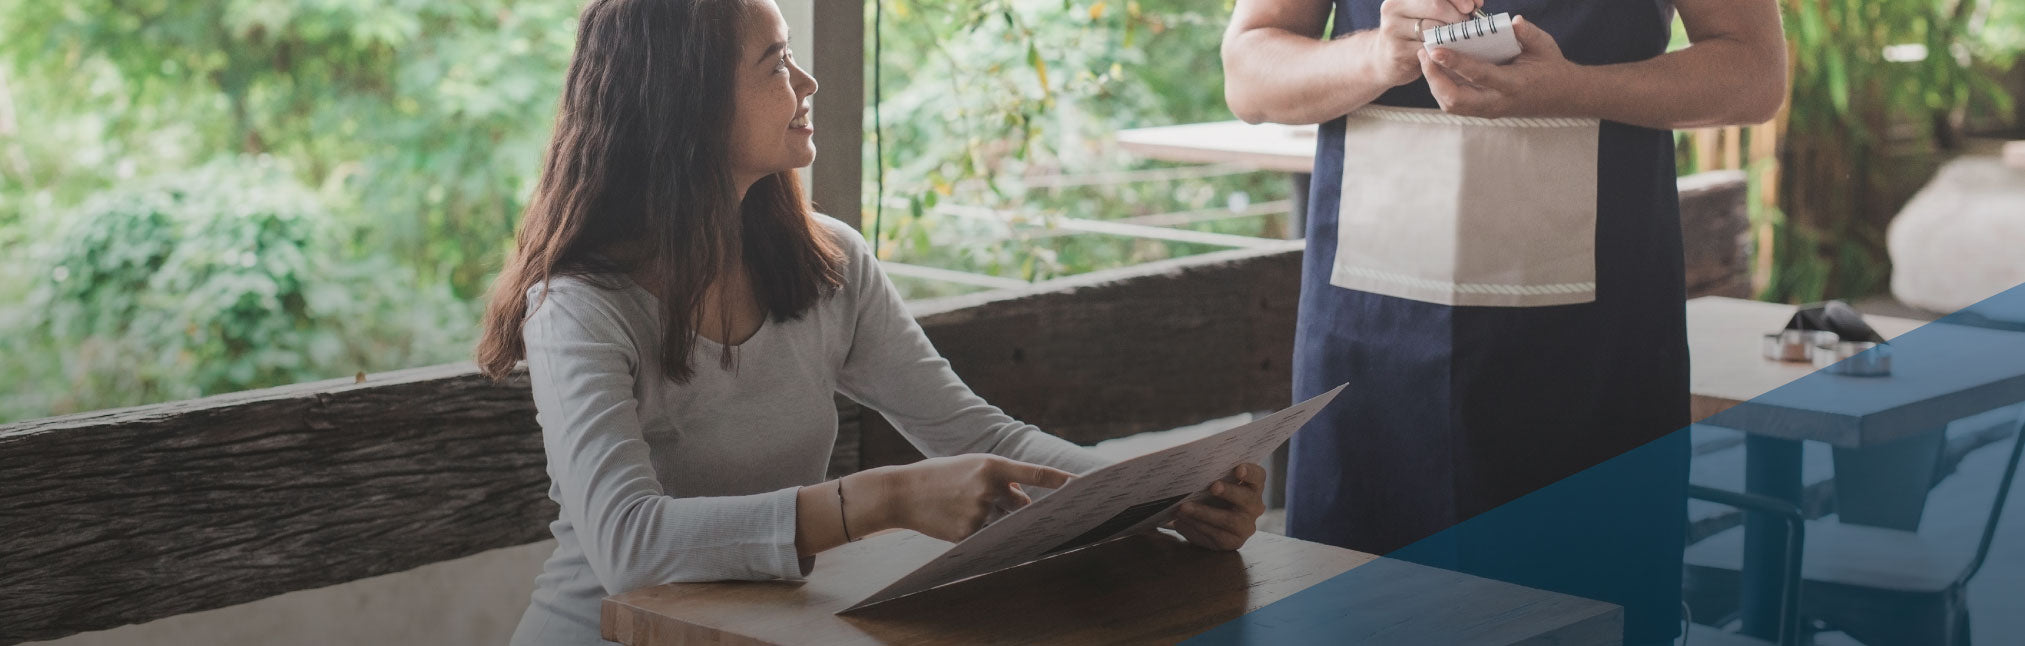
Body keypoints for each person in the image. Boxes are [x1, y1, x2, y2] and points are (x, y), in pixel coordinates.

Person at [475, 1, 1268, 644]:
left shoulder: (829, 265)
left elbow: (979, 437)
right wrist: (880, 500)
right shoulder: (579, 303)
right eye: (776, 62)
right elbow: (630, 547)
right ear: (684, 104)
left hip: (759, 633)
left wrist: (1157, 500)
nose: (808, 80)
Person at [1222, 1, 1786, 643]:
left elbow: (1754, 70)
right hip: (1372, 347)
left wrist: (1573, 87)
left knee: (1588, 612)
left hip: (1593, 349)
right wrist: (1378, 55)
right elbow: (1249, 72)